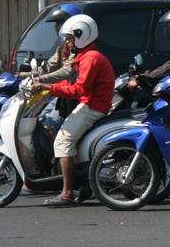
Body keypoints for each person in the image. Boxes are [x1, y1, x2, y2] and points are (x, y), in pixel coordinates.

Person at [31, 14, 114, 207]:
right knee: (72, 144)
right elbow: (66, 74)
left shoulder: (90, 58)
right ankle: (83, 184)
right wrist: (43, 81)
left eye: (69, 38)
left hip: (92, 106)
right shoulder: (84, 55)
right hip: (90, 104)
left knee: (62, 141)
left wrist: (49, 88)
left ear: (81, 35)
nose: (67, 43)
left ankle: (67, 193)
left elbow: (79, 89)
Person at [17, 4, 82, 139]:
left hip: (74, 98)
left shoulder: (79, 47)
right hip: (60, 94)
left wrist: (41, 80)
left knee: (49, 128)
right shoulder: (63, 46)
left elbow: (66, 71)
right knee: (37, 122)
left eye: (59, 22)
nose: (56, 27)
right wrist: (21, 76)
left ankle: (55, 158)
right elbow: (47, 67)